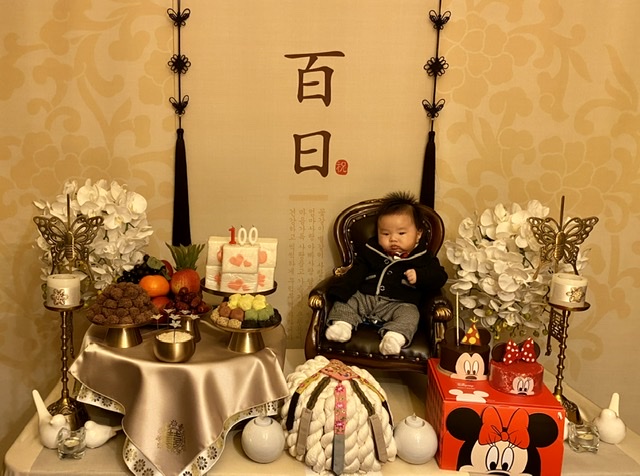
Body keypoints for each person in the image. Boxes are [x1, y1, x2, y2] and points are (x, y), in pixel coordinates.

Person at [324, 191, 448, 355]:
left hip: (399, 304)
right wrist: (341, 291)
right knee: (347, 302)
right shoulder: (372, 250)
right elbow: (356, 273)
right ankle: (342, 326)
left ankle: (394, 337)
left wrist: (420, 276)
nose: (393, 239)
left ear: (418, 234)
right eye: (386, 234)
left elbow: (440, 277)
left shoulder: (424, 257)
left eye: (401, 233)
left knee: (410, 315)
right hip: (366, 297)